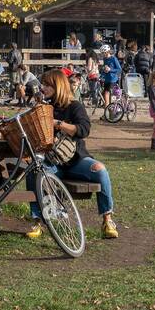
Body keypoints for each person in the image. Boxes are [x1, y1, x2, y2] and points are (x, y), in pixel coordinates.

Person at [29, 69, 118, 239]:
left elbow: (84, 130)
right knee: (35, 172)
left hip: (75, 159)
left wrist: (58, 124)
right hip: (52, 161)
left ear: (58, 86)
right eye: (43, 84)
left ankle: (107, 219)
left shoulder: (75, 106)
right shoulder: (44, 107)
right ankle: (38, 220)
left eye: (47, 85)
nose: (43, 88)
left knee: (100, 169)